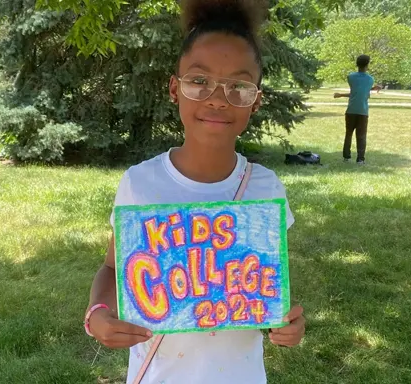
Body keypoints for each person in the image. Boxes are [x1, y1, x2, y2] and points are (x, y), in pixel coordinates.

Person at [83, 1, 306, 383]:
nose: (218, 98)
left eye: (239, 86)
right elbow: (111, 267)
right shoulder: (140, 183)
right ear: (175, 88)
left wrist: (286, 325)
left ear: (256, 100)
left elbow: (265, 289)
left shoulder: (266, 188)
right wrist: (97, 314)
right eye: (199, 81)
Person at [333, 55, 381, 164]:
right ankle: (360, 159)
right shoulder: (370, 79)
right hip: (363, 111)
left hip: (351, 110)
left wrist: (340, 95)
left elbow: (355, 92)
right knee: (362, 136)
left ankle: (346, 157)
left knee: (348, 134)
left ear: (357, 64)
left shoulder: (350, 77)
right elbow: (362, 92)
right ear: (367, 65)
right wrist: (373, 88)